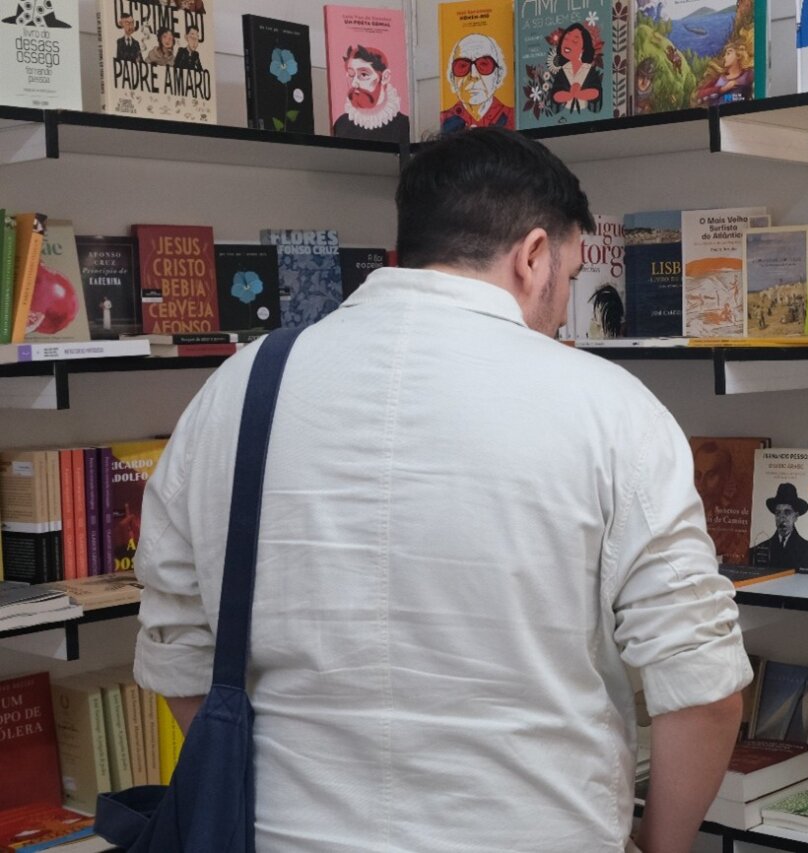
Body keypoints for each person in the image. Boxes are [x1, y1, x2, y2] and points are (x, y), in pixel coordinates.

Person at [132, 127, 751, 853]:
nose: (562, 312)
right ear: (530, 256)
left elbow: (178, 651)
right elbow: (704, 691)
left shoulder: (233, 392)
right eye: (571, 275)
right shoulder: (611, 409)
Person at [332, 44, 410, 142]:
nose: (354, 83)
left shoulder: (404, 126)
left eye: (363, 74)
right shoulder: (341, 125)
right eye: (351, 75)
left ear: (385, 77)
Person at [439, 33, 514, 133]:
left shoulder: (512, 116)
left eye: (484, 64)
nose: (473, 75)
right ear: (452, 78)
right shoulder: (444, 120)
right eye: (462, 66)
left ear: (498, 75)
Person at [750, 483, 808, 571]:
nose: (782, 518)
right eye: (778, 513)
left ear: (796, 516)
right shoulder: (757, 551)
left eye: (787, 512)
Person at [548, 23, 603, 115]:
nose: (567, 43)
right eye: (566, 39)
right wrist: (570, 94)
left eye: (574, 41)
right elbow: (555, 94)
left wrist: (579, 94)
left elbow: (596, 92)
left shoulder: (589, 70)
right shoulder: (562, 71)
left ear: (583, 49)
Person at [694, 40, 754, 106]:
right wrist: (723, 89)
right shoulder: (719, 78)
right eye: (725, 54)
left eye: (728, 53)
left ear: (738, 55)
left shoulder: (748, 75)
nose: (725, 57)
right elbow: (701, 93)